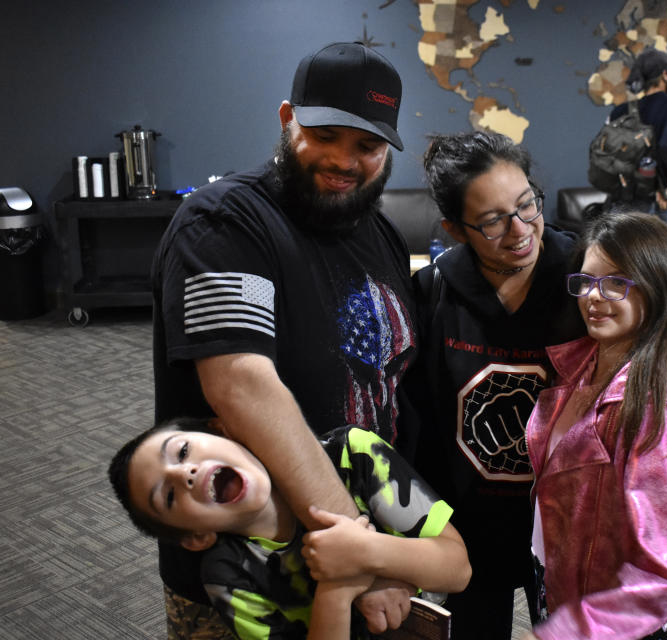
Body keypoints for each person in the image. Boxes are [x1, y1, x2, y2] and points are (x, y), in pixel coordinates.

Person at [152, 42, 418, 637]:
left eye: (367, 146)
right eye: (325, 134)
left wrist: (391, 546)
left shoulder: (382, 235)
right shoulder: (224, 222)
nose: (345, 161)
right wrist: (358, 544)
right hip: (249, 576)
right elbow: (241, 386)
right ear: (286, 118)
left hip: (364, 560)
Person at [401, 131, 584, 639]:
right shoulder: (434, 293)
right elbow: (418, 421)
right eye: (492, 221)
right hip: (470, 527)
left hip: (564, 524)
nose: (521, 230)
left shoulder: (581, 282)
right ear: (455, 229)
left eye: (528, 205)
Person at [523, 212, 667, 640]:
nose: (594, 296)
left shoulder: (651, 406)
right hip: (556, 580)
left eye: (616, 283)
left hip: (605, 620)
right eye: (588, 281)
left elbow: (657, 578)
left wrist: (563, 634)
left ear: (658, 289)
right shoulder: (580, 363)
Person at [109, 418, 471, 639]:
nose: (183, 474)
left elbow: (457, 569)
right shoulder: (228, 574)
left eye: (183, 451)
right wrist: (336, 587)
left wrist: (364, 552)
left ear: (223, 429)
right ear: (196, 537)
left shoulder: (353, 455)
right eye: (169, 496)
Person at [604, 47, 667, 224]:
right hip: (647, 204)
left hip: (618, 202)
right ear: (665, 75)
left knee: (617, 251)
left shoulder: (620, 110)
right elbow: (666, 147)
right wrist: (663, 188)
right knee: (654, 252)